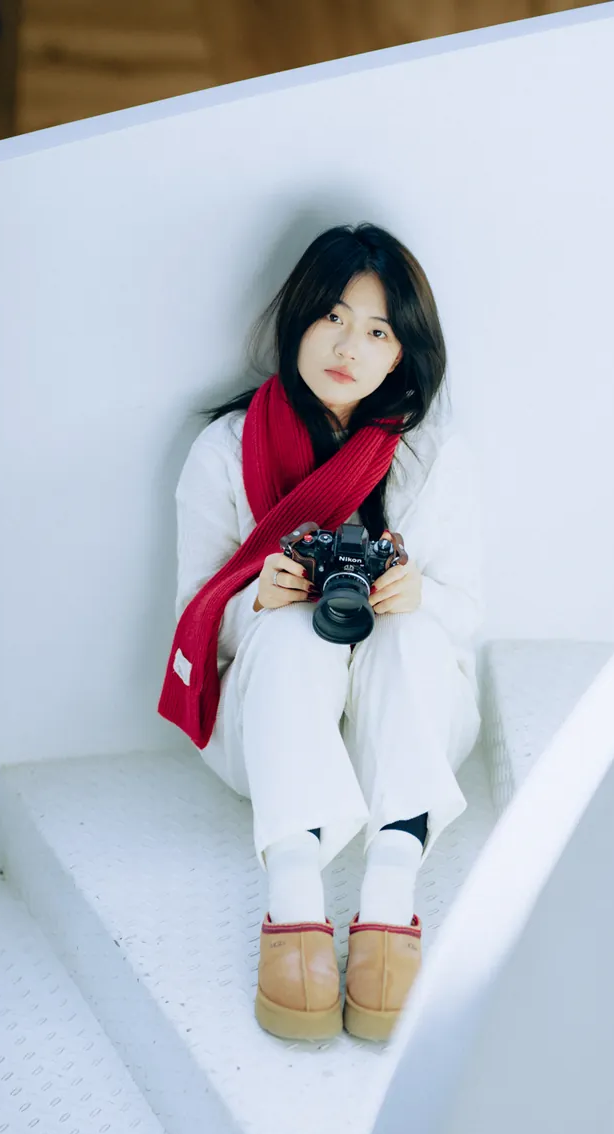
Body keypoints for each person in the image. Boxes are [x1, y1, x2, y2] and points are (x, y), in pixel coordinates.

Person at [159, 222, 483, 1044]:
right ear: (299, 316)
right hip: (271, 723)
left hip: (401, 723)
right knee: (293, 632)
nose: (348, 347)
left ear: (400, 355)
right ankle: (294, 897)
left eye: (377, 332)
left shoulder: (429, 456)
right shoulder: (225, 450)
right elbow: (193, 627)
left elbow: (466, 619)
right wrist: (254, 600)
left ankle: (390, 891)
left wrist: (418, 595)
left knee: (410, 635)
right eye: (333, 317)